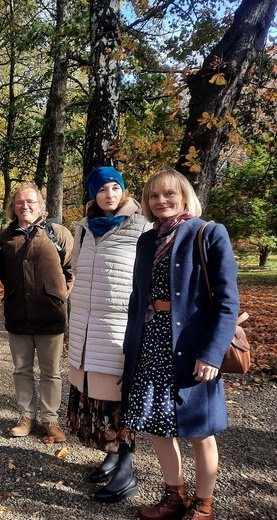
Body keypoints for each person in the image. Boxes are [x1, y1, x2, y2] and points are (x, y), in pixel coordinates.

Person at [121, 169, 239, 520]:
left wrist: (211, 352)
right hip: (152, 344)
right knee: (158, 423)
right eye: (154, 196)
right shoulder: (147, 240)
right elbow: (137, 297)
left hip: (193, 347)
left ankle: (203, 506)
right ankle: (175, 498)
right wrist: (131, 346)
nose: (161, 202)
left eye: (168, 194)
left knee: (200, 430)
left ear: (184, 196)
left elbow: (227, 301)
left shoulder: (208, 233)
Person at [66, 166, 151, 503]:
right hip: (87, 329)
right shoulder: (84, 229)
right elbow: (75, 269)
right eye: (102, 189)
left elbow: (146, 281)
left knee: (122, 400)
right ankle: (112, 456)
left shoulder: (141, 227)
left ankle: (127, 471)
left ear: (124, 191)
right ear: (93, 194)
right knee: (98, 400)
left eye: (115, 187)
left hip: (120, 330)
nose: (109, 194)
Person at [0, 183, 74, 443]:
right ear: (13, 207)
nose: (25, 206)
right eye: (19, 202)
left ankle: (50, 420)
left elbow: (72, 271)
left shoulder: (58, 233)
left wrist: (59, 297)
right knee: (22, 369)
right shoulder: (5, 237)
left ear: (41, 205)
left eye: (30, 201)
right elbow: (4, 274)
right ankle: (26, 416)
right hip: (18, 314)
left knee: (51, 371)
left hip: (50, 315)